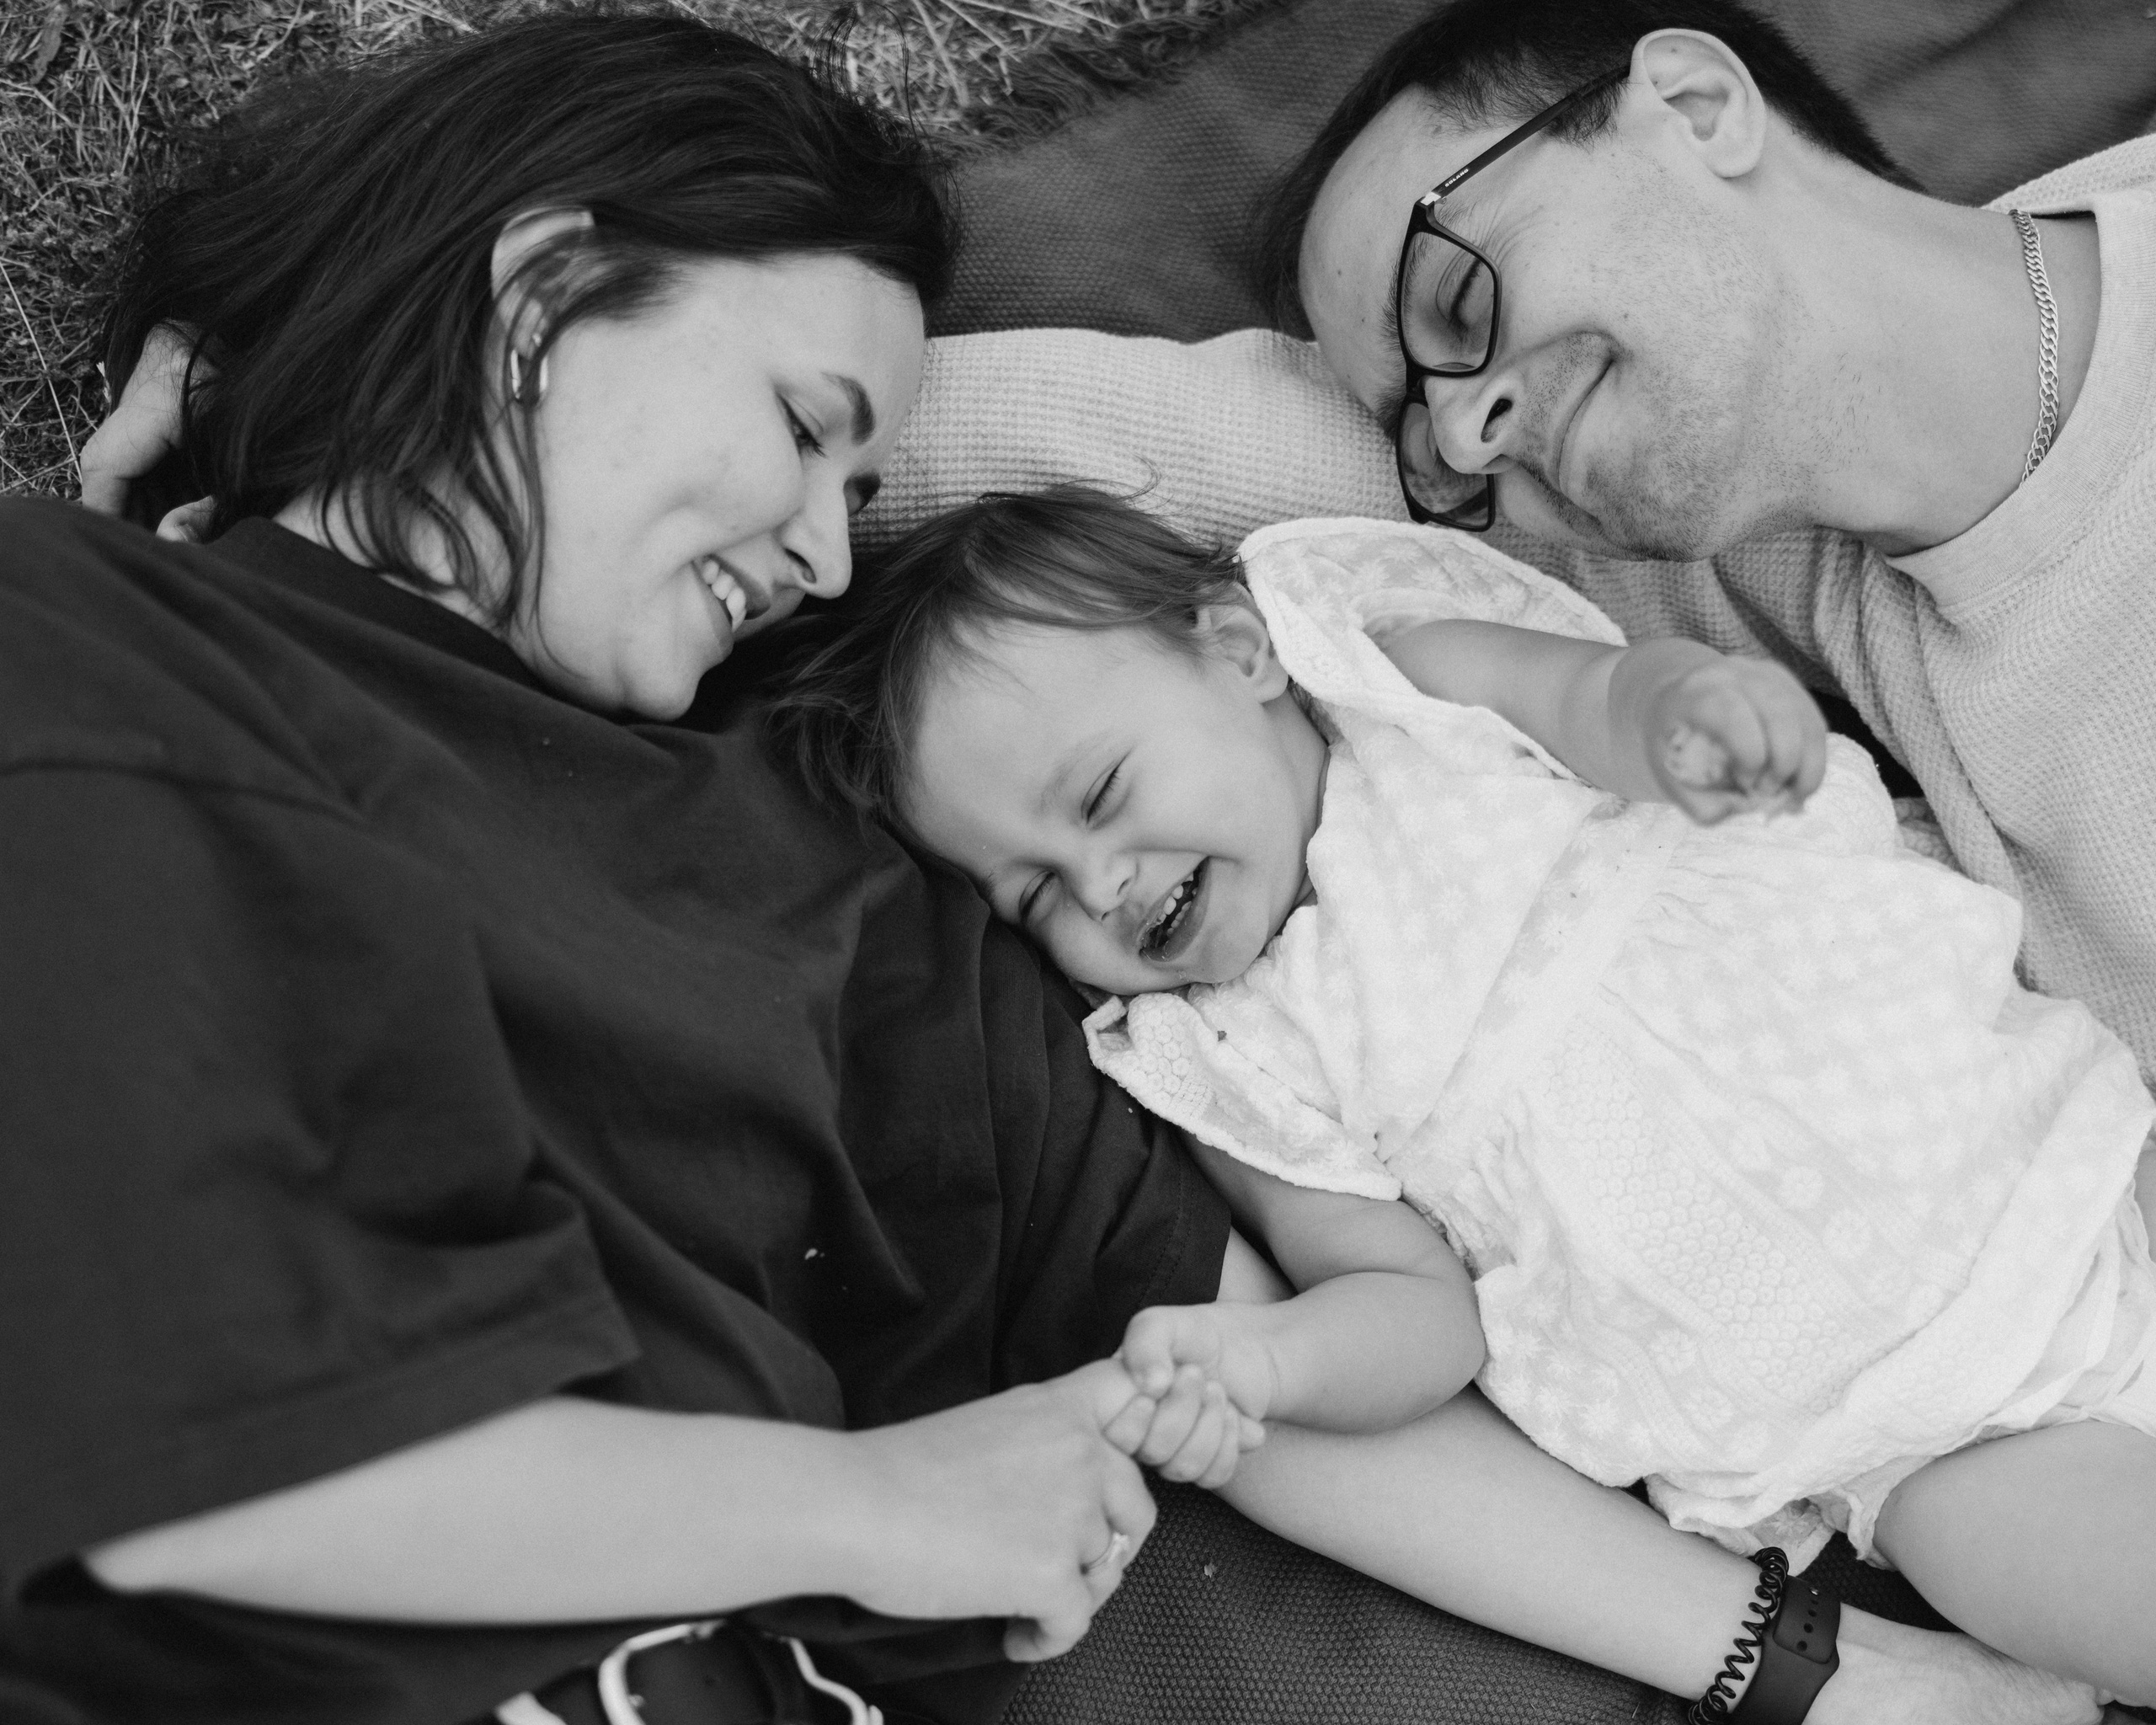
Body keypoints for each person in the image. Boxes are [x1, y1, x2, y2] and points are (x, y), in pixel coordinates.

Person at [47, 14, 2119, 1725]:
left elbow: (1219, 1348)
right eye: (801, 422)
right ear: (548, 288)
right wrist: (287, 398)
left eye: (860, 478)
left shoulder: (846, 862)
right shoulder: (117, 671)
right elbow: (179, 1462)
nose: (816, 531)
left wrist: (1824, 1681)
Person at [772, 483, 2156, 1704]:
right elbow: (1416, 1313)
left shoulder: (1393, 683)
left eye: (1101, 796)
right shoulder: (1229, 1054)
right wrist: (1272, 1362)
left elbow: (1591, 700)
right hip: (1913, 1437)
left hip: (2063, 1165)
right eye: (1036, 896)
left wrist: (1681, 715)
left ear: (1238, 653)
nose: (1103, 885)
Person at [1260, 0, 2156, 1124]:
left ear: (1697, 107)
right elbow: (1216, 467)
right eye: (1419, 440)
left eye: (1453, 296)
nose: (1460, 436)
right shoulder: (1759, 572)